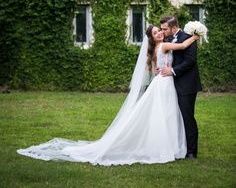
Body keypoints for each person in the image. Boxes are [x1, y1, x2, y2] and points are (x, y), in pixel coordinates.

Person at [17, 26, 198, 165]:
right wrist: (196, 35)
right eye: (156, 32)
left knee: (163, 115)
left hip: (162, 81)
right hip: (164, 83)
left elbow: (160, 62)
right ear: (151, 37)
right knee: (166, 115)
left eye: (160, 31)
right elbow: (182, 45)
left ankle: (167, 146)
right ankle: (168, 148)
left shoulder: (155, 49)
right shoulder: (164, 45)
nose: (160, 33)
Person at [159, 15, 202, 159]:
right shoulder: (168, 38)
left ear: (174, 28)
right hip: (171, 85)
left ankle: (191, 151)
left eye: (165, 29)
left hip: (187, 84)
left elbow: (190, 60)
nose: (162, 31)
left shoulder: (188, 38)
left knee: (187, 117)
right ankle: (178, 147)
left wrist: (172, 71)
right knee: (174, 117)